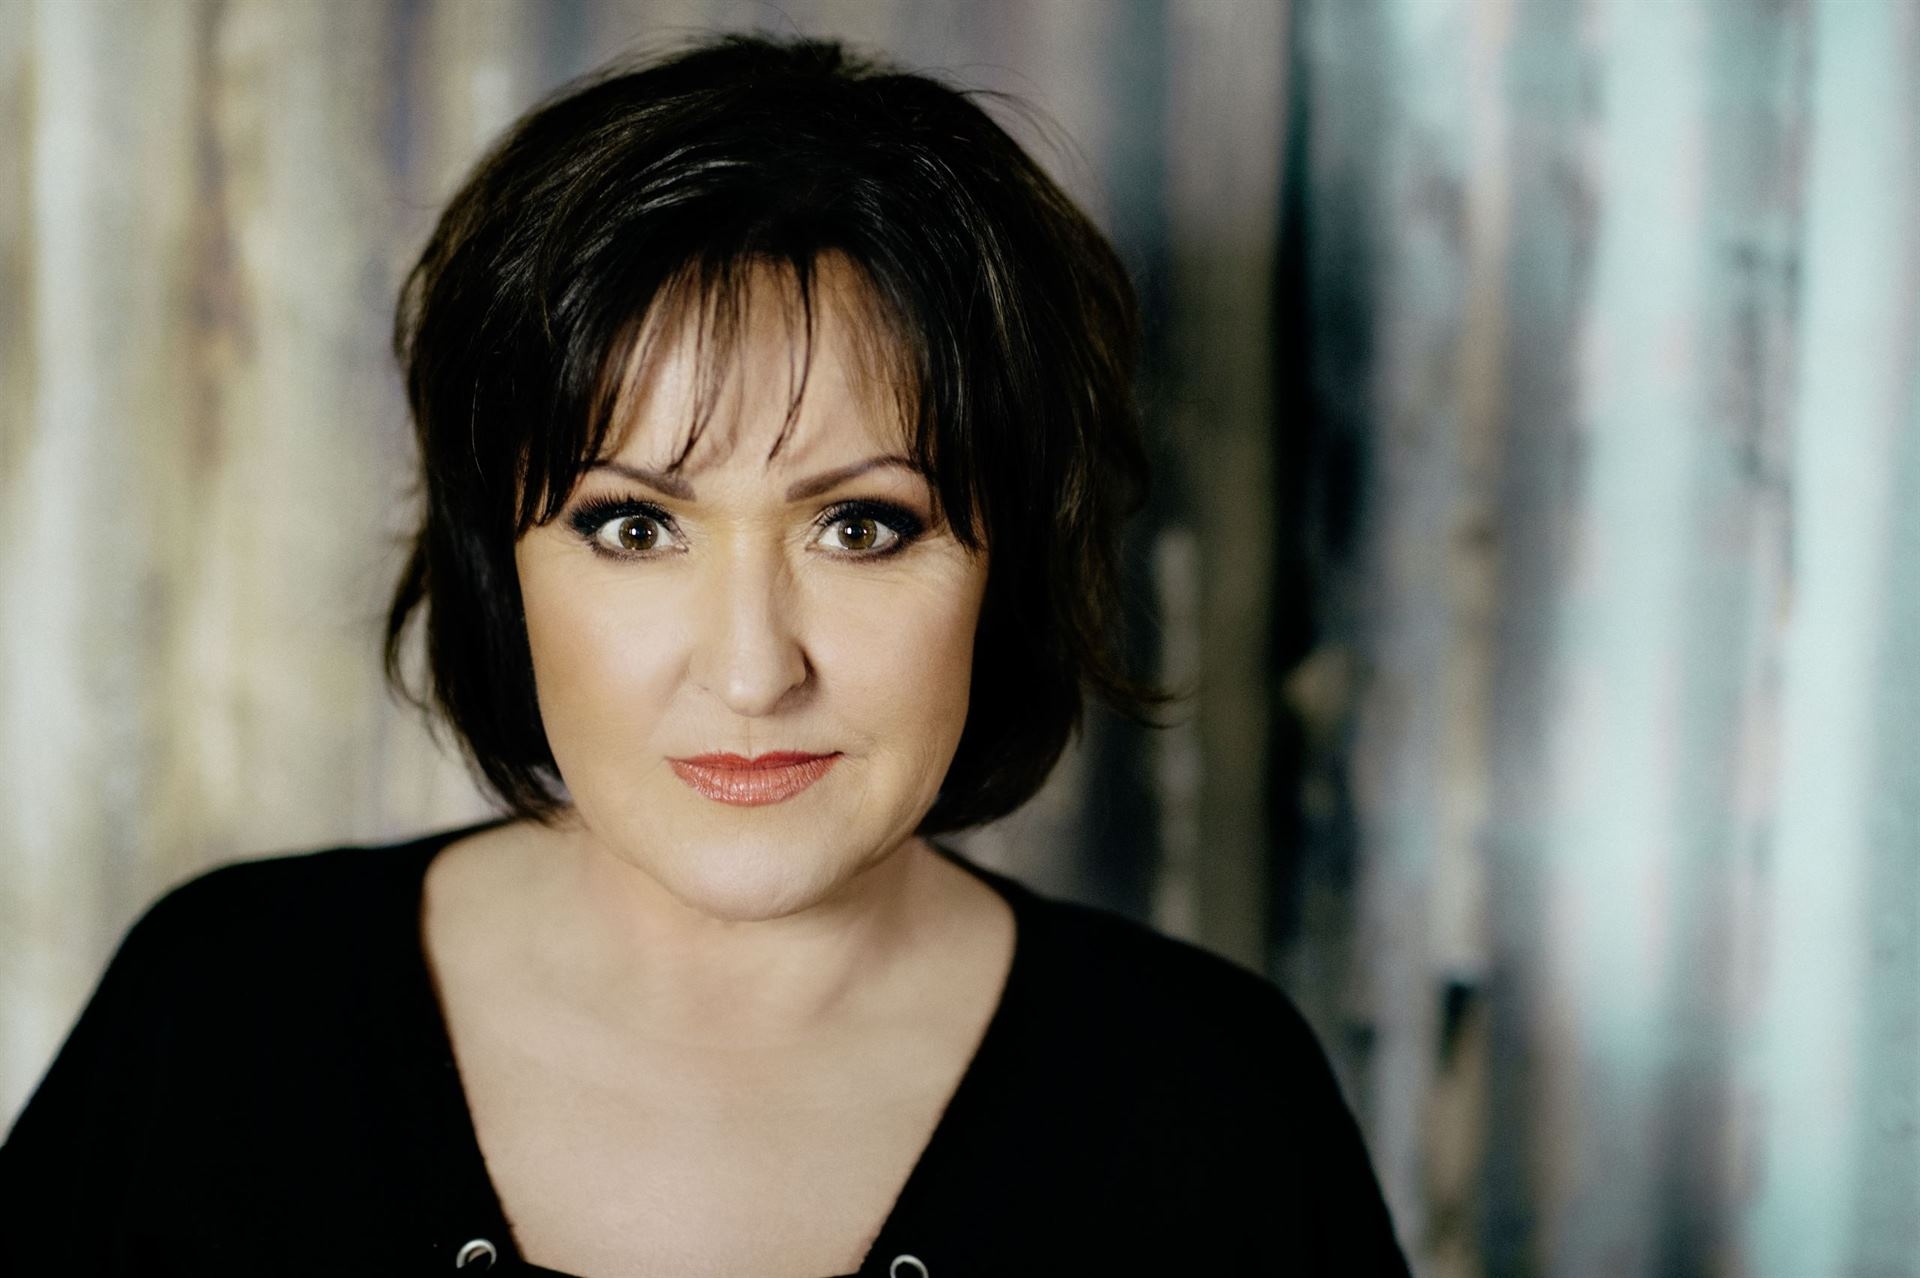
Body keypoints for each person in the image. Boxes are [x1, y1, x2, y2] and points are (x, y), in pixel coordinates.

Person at [0, 33, 1410, 1277]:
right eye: (633, 526)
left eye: (862, 526)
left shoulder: (1213, 1104)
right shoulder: (219, 1017)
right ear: (503, 564)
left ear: (1008, 568)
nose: (751, 670)